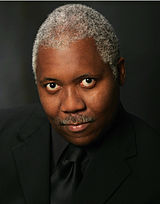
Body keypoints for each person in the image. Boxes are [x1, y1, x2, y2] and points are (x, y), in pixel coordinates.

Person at [0, 3, 160, 204]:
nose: (71, 105)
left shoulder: (153, 165)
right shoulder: (3, 134)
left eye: (87, 81)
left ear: (119, 72)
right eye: (52, 85)